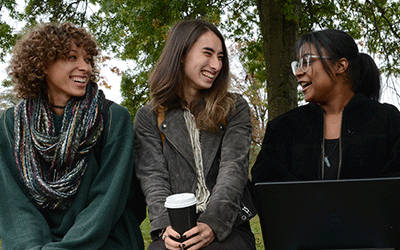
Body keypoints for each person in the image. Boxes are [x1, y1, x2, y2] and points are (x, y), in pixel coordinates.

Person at [0, 22, 144, 249]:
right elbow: (14, 205)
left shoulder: (113, 118)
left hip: (105, 241)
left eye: (87, 60)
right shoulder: (11, 125)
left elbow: (107, 201)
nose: (84, 68)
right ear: (43, 64)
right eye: (71, 57)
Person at [134, 19, 256, 250]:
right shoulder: (149, 117)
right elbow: (153, 178)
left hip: (228, 225)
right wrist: (165, 228)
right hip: (176, 224)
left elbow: (234, 169)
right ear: (181, 54)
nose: (216, 65)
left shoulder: (234, 107)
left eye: (220, 57)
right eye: (208, 54)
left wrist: (212, 224)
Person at [252, 29, 400, 184]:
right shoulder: (282, 129)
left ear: (340, 65)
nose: (297, 73)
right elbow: (265, 187)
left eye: (306, 62)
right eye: (297, 64)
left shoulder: (388, 121)